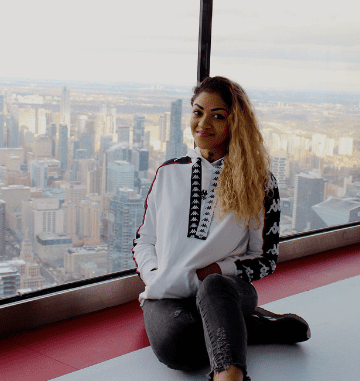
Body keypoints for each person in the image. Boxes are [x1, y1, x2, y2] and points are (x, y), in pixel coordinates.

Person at [132, 76, 310, 381]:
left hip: (226, 290)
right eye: (198, 112)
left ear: (235, 123)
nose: (204, 123)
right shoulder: (168, 174)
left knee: (213, 287)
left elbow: (266, 258)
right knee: (177, 346)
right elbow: (143, 241)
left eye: (218, 116)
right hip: (169, 293)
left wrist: (217, 268)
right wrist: (156, 275)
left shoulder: (260, 183)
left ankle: (229, 375)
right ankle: (251, 325)